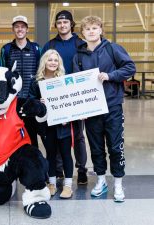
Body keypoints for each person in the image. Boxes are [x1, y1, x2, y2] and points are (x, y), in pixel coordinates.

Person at [73, 16, 136, 202]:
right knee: (96, 148)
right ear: (82, 33)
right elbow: (76, 83)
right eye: (87, 29)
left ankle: (118, 183)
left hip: (112, 107)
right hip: (91, 110)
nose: (91, 31)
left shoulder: (112, 48)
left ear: (101, 30)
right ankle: (101, 181)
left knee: (116, 147)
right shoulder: (78, 56)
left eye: (95, 28)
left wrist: (111, 75)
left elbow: (130, 67)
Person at [42, 10, 88, 185]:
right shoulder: (50, 45)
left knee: (78, 135)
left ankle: (82, 169)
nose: (62, 25)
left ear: (71, 24)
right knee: (58, 135)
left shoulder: (80, 44)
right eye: (59, 23)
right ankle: (59, 169)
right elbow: (43, 69)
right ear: (56, 25)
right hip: (56, 97)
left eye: (65, 22)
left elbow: (87, 69)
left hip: (74, 95)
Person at [29, 49, 74, 199]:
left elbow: (72, 101)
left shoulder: (64, 80)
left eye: (56, 60)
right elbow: (31, 101)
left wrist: (72, 115)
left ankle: (68, 186)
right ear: (44, 62)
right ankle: (52, 183)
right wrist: (38, 103)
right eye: (50, 60)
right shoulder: (37, 82)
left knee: (66, 154)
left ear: (59, 63)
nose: (53, 63)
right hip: (46, 126)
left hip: (63, 124)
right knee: (51, 154)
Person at [0, 15, 41, 147]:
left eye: (22, 26)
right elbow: (2, 75)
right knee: (13, 138)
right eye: (17, 26)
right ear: (13, 29)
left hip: (31, 100)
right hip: (14, 102)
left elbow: (41, 73)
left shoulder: (36, 49)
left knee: (32, 138)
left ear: (27, 29)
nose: (20, 29)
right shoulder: (6, 49)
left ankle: (33, 166)